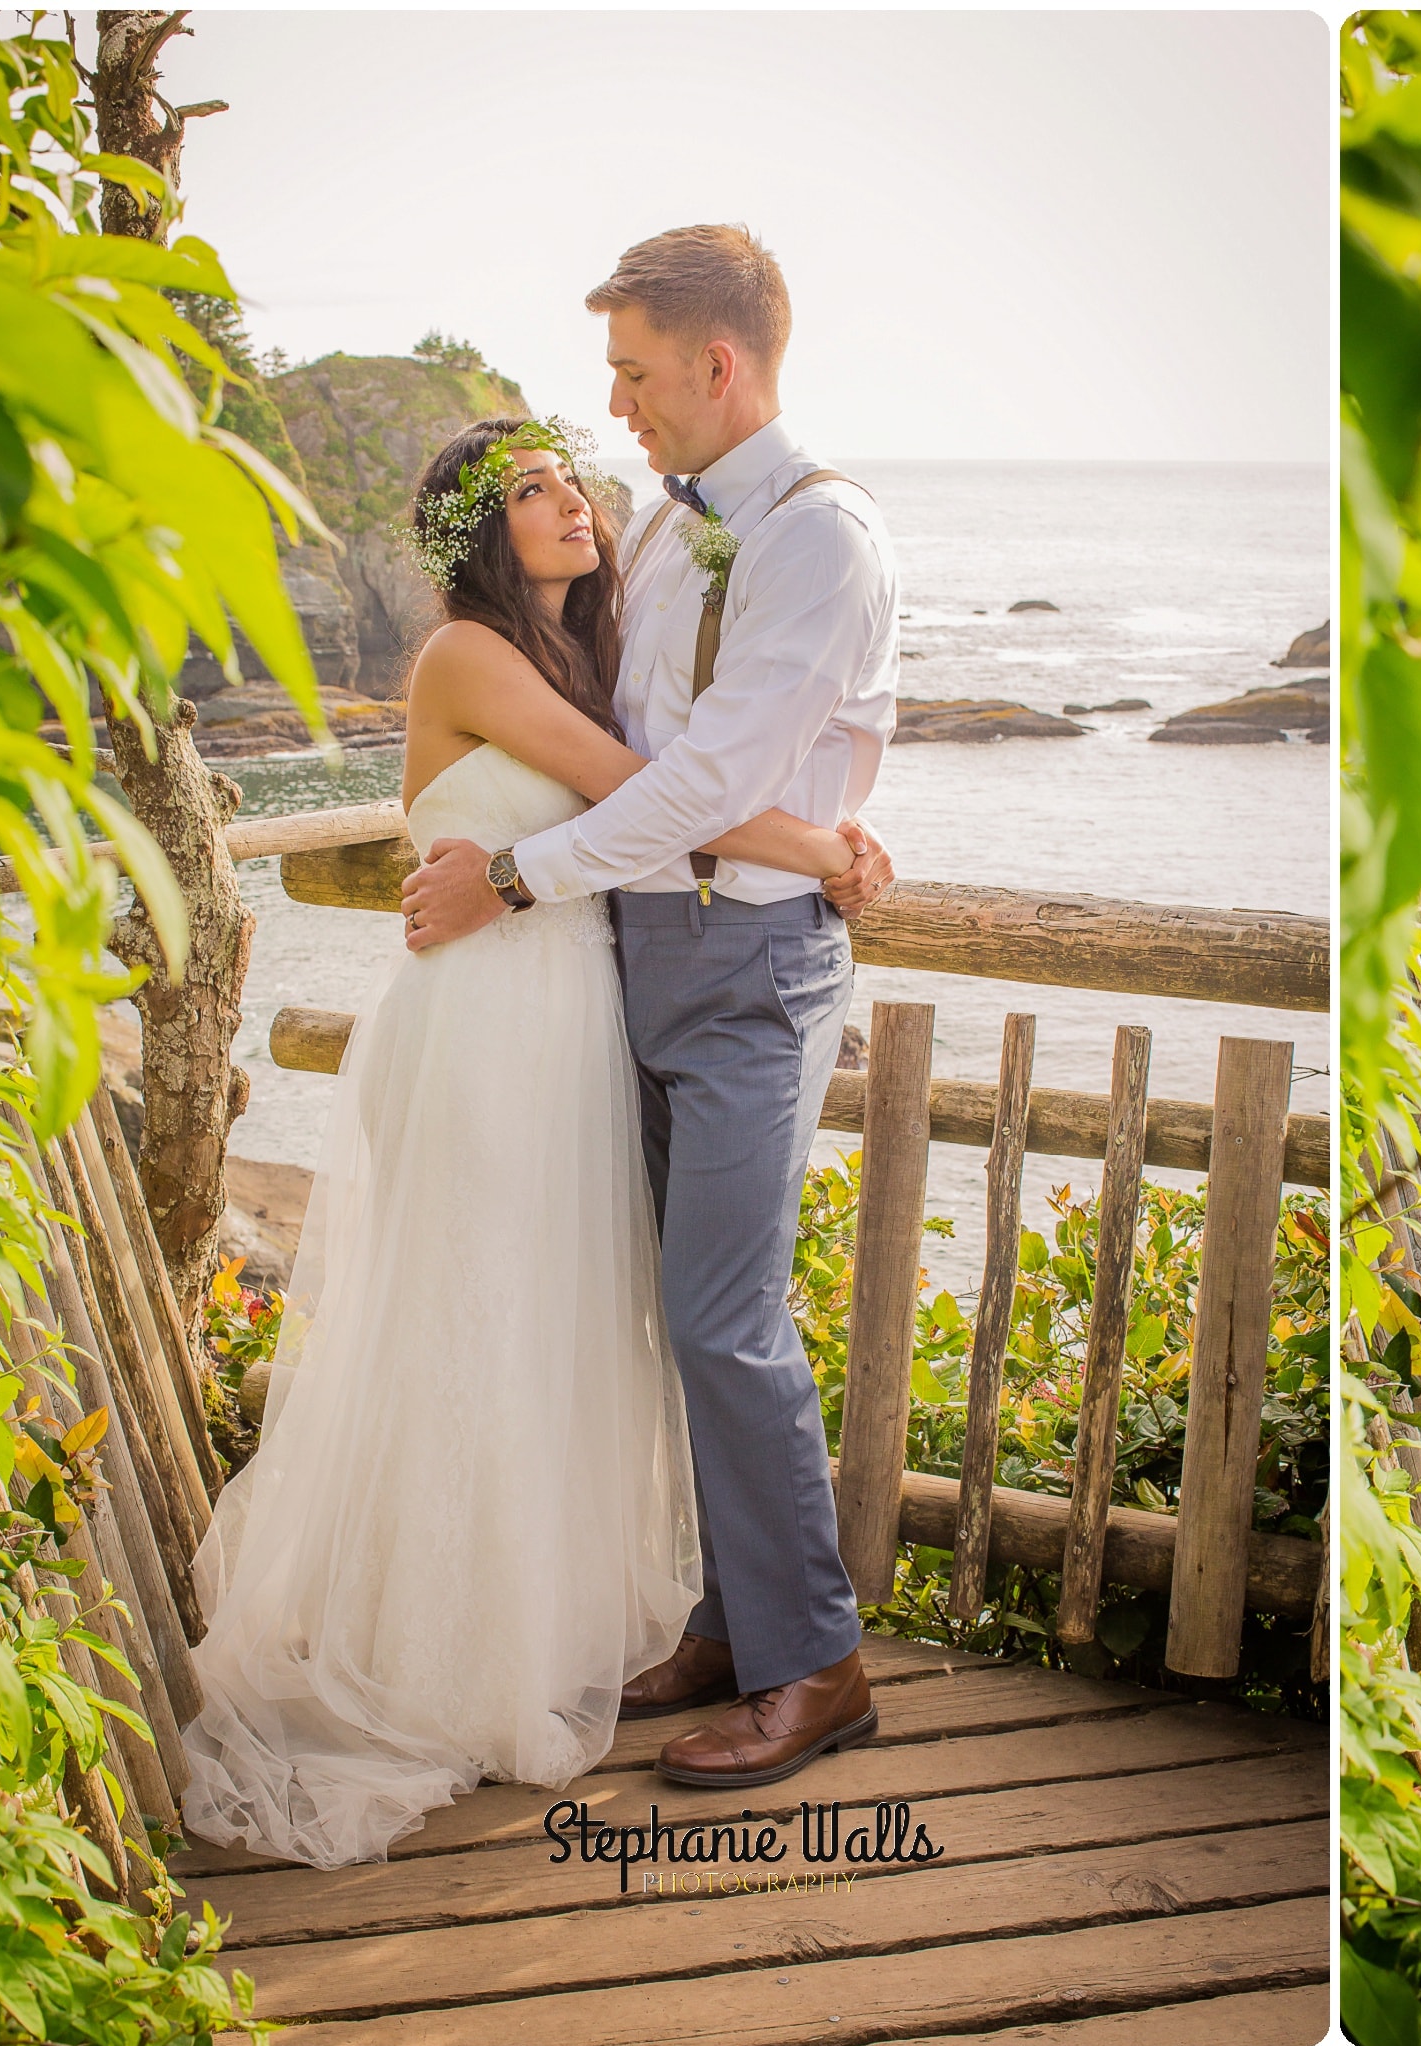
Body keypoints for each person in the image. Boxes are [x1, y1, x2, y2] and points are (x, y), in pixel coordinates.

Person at [180, 415, 887, 1866]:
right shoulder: (465, 655)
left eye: (570, 477)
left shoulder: (591, 647)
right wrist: (824, 848)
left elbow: (676, 771)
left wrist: (811, 826)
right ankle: (446, 1659)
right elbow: (639, 788)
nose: (572, 498)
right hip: (486, 1034)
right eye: (531, 493)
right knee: (471, 1324)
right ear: (476, 540)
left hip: (577, 1020)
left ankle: (595, 1624)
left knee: (562, 1327)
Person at [399, 224, 901, 1787]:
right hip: (643, 958)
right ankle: (733, 1621)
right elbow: (619, 736)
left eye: (630, 371)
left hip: (752, 969)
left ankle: (819, 1666)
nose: (613, 405)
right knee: (679, 1318)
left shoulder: (820, 541)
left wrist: (524, 876)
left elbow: (701, 782)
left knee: (721, 1319)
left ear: (717, 364)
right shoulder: (674, 532)